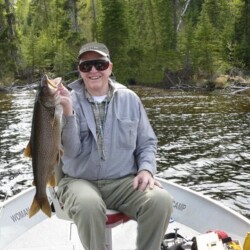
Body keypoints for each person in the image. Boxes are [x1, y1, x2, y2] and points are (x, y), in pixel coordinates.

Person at [57, 42, 173, 250]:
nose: (93, 71)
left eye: (99, 65)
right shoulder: (66, 100)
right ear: (80, 71)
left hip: (123, 182)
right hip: (78, 180)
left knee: (160, 200)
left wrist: (146, 169)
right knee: (88, 205)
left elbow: (146, 143)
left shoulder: (130, 99)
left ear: (110, 67)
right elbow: (71, 152)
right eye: (86, 66)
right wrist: (67, 112)